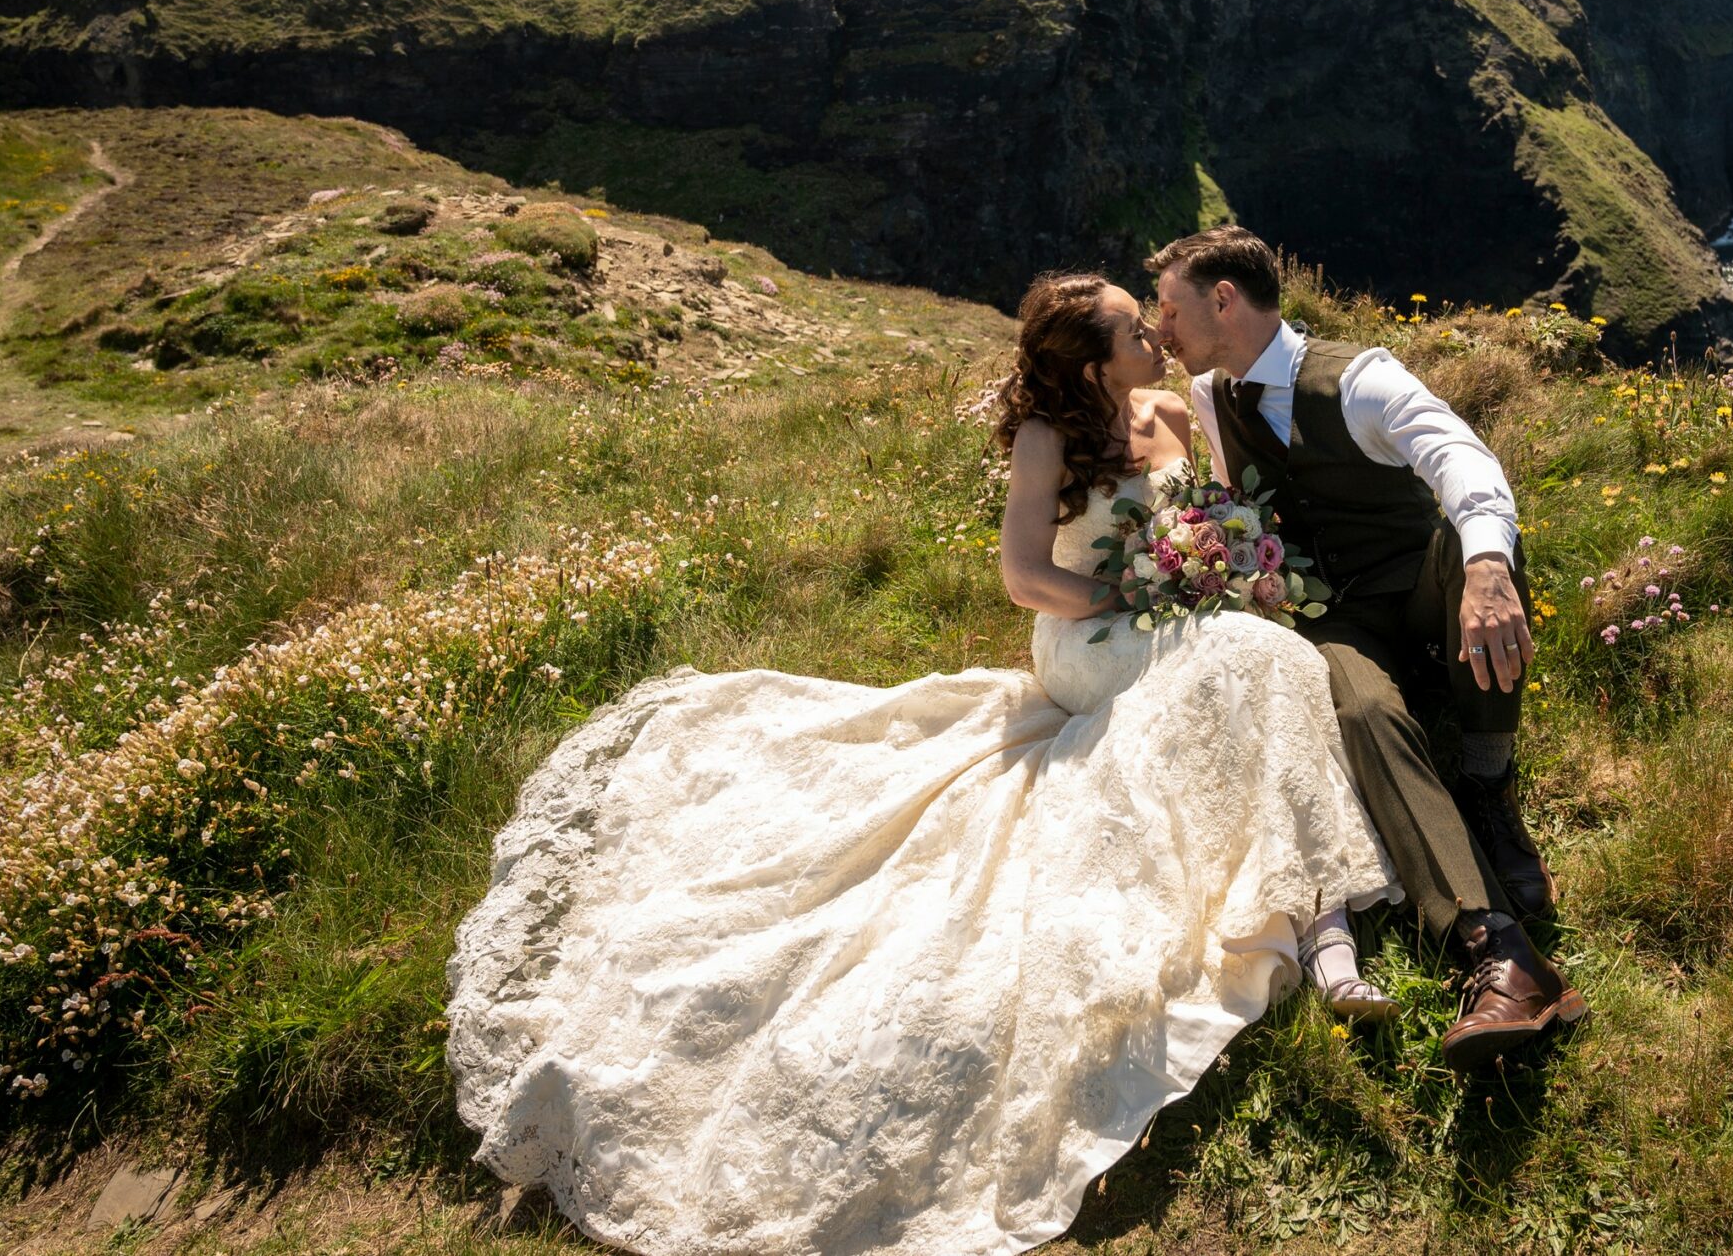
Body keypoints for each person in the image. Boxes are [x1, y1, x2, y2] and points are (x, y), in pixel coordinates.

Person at [446, 271, 1399, 1256]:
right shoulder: (1046, 437)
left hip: (1166, 612)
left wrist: (1204, 562)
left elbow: (1196, 516)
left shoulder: (1167, 408)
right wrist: (1141, 593)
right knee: (1259, 660)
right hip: (1085, 637)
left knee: (1255, 665)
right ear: (1087, 359)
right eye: (1131, 327)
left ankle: (1313, 912)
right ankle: (1325, 923)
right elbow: (1025, 576)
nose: (1155, 334)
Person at [1149, 226, 1585, 1073]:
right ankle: (1500, 951)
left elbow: (1460, 455)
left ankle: (1488, 784)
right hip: (1336, 619)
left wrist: (1490, 567)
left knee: (1477, 541)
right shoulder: (1209, 393)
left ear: (1225, 300)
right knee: (1357, 707)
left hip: (1423, 596)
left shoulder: (1358, 378)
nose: (1162, 327)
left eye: (1172, 307)